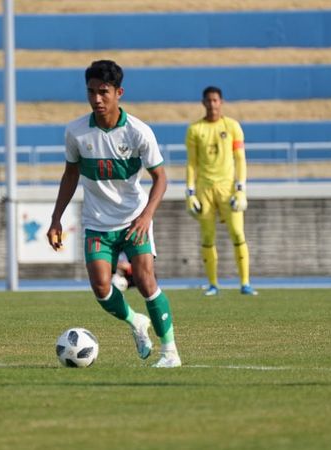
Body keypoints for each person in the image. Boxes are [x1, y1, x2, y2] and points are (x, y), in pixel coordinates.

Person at [47, 60, 181, 368]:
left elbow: (160, 178)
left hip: (134, 219)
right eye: (91, 92)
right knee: (101, 289)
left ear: (119, 92)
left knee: (147, 281)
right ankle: (136, 322)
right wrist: (56, 218)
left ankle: (170, 352)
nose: (97, 99)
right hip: (97, 223)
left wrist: (147, 215)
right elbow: (70, 176)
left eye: (103, 92)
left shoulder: (138, 132)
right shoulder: (77, 132)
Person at [184, 86, 257, 297]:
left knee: (237, 233)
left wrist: (241, 189)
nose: (212, 104)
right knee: (207, 236)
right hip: (204, 188)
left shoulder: (233, 126)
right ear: (203, 103)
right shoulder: (195, 129)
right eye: (208, 100)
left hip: (227, 189)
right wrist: (190, 192)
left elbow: (240, 159)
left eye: (215, 100)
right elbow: (191, 163)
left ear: (221, 102)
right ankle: (213, 284)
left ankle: (245, 283)